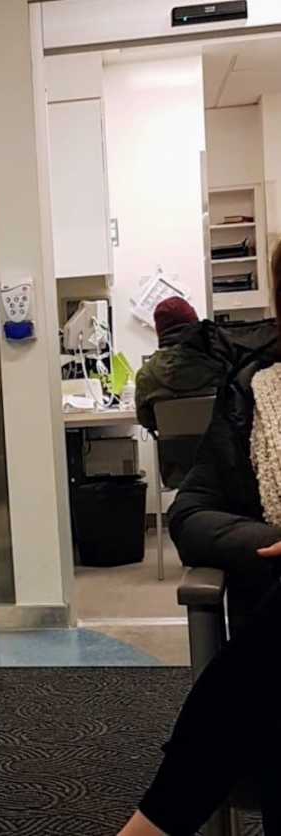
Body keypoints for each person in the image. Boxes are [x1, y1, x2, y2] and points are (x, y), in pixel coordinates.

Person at [118, 243, 281, 836]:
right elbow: (200, 506)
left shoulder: (152, 373)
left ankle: (155, 822)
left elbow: (143, 421)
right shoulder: (240, 384)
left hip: (175, 469)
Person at [134, 296, 232, 433]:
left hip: (175, 452)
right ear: (195, 324)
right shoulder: (222, 362)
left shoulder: (146, 374)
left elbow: (146, 421)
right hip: (223, 450)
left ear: (159, 331)